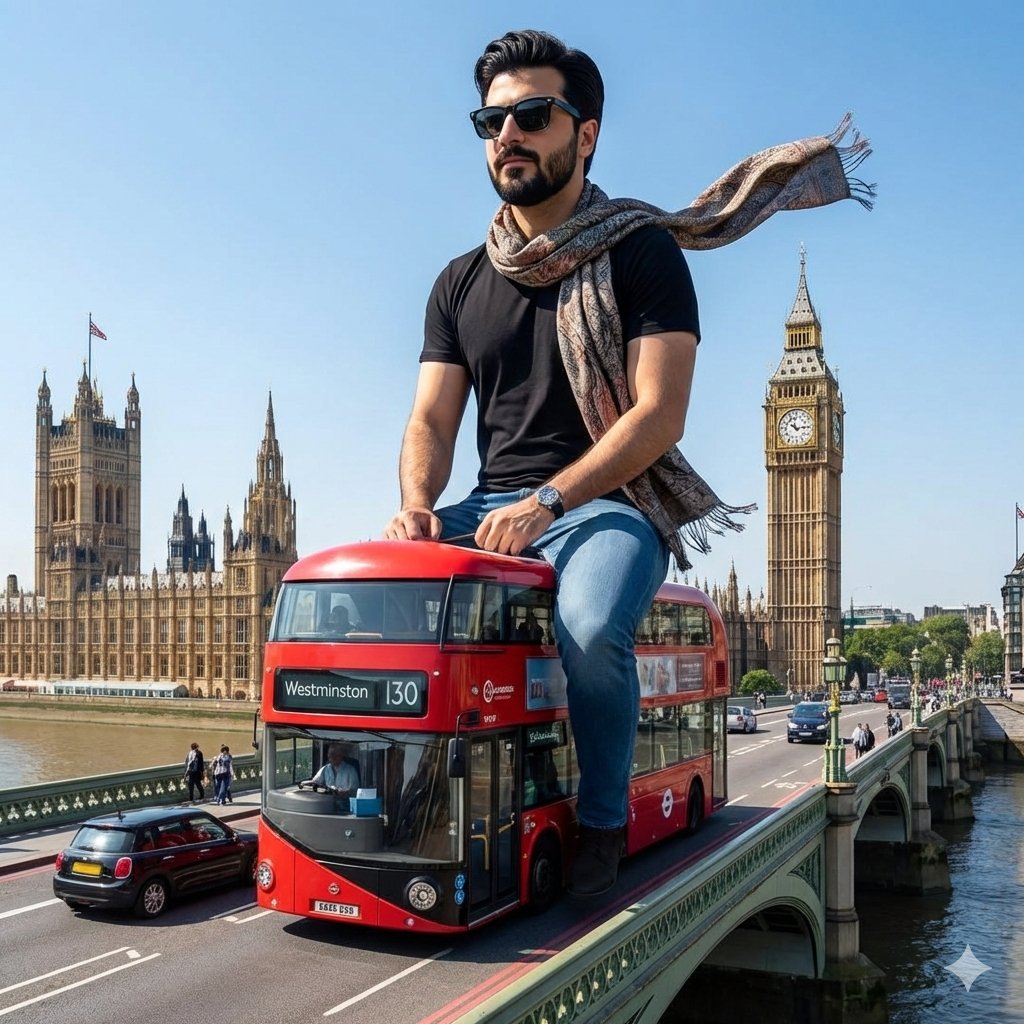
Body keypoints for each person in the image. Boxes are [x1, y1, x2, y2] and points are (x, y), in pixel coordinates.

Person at [383, 30, 871, 898]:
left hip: (609, 505)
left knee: (590, 626)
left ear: (586, 133)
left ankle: (602, 823)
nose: (509, 135)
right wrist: (419, 503)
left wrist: (548, 499)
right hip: (486, 502)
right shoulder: (459, 281)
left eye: (532, 115)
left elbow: (658, 415)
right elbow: (430, 415)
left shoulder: (640, 252)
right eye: (491, 120)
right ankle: (418, 797)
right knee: (372, 595)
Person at [311, 744, 360, 809]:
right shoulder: (325, 769)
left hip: (345, 805)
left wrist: (344, 793)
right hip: (327, 804)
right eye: (330, 756)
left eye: (335, 755)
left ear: (341, 756)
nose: (332, 758)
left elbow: (356, 791)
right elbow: (314, 784)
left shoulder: (350, 770)